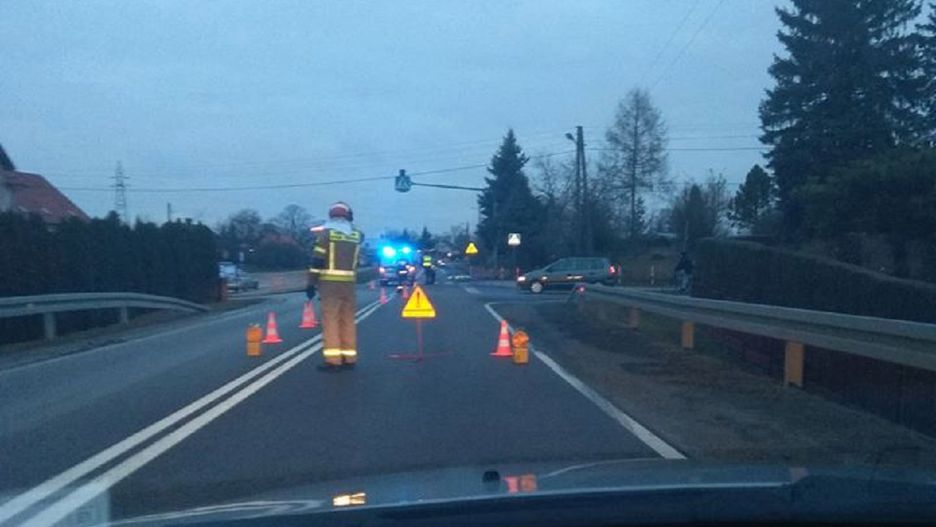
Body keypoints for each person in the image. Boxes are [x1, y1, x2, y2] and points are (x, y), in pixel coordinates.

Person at [307, 202, 363, 369]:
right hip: (349, 284)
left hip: (329, 284)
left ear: (331, 215)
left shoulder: (326, 234)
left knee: (331, 320)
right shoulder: (356, 235)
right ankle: (349, 358)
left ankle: (333, 361)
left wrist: (311, 282)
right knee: (347, 320)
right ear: (347, 216)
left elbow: (317, 260)